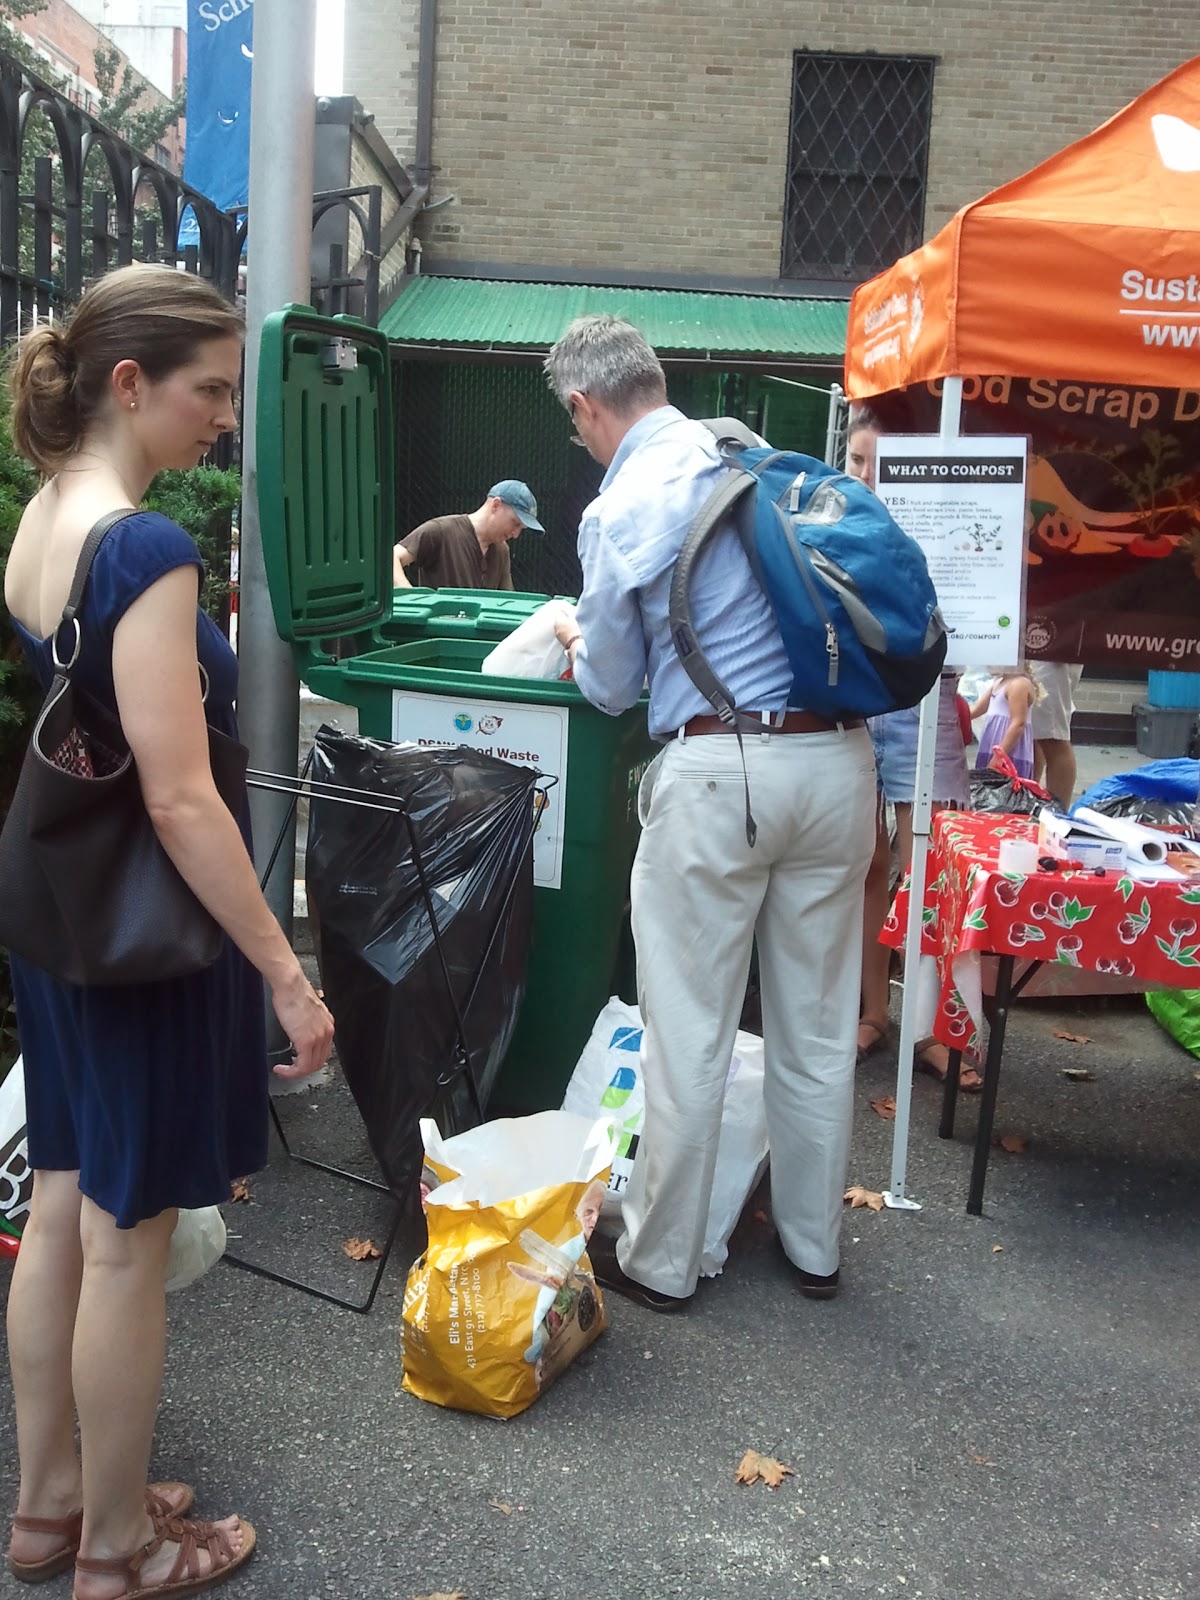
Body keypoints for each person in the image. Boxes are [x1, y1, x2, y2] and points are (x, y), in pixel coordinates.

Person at [2, 265, 334, 1599]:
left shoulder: (44, 517)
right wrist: (288, 975)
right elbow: (182, 794)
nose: (223, 420)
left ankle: (50, 1508)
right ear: (129, 384)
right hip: (143, 936)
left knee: (73, 1203)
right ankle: (119, 1553)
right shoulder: (142, 546)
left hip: (65, 916)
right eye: (209, 390)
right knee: (127, 1235)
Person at [543, 315, 876, 1309]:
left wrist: (573, 629)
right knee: (815, 1024)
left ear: (585, 406)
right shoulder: (758, 457)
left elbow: (607, 686)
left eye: (577, 429)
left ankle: (660, 1261)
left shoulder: (626, 502)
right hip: (838, 763)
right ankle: (815, 1249)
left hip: (722, 770)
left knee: (689, 1023)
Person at [843, 410, 978, 1091]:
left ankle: (931, 1028)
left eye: (879, 461)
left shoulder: (945, 522)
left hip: (929, 709)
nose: (867, 474)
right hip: (859, 708)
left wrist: (1006, 673)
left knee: (929, 870)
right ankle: (873, 1012)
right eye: (857, 459)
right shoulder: (835, 526)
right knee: (869, 864)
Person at [392, 479, 543, 590]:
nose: (515, 534)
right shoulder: (440, 531)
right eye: (515, 523)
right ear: (496, 505)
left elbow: (508, 600)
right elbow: (392, 557)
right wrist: (412, 599)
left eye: (521, 529)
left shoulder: (501, 550)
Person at [972, 664, 1041, 777]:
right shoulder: (998, 683)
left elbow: (1018, 724)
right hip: (991, 751)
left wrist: (1000, 757)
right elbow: (974, 711)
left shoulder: (1018, 684)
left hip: (1009, 755)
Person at [1031, 660, 1084, 805]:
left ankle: (1057, 815)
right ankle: (1027, 800)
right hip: (1034, 651)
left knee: (1052, 736)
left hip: (1051, 654)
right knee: (1033, 734)